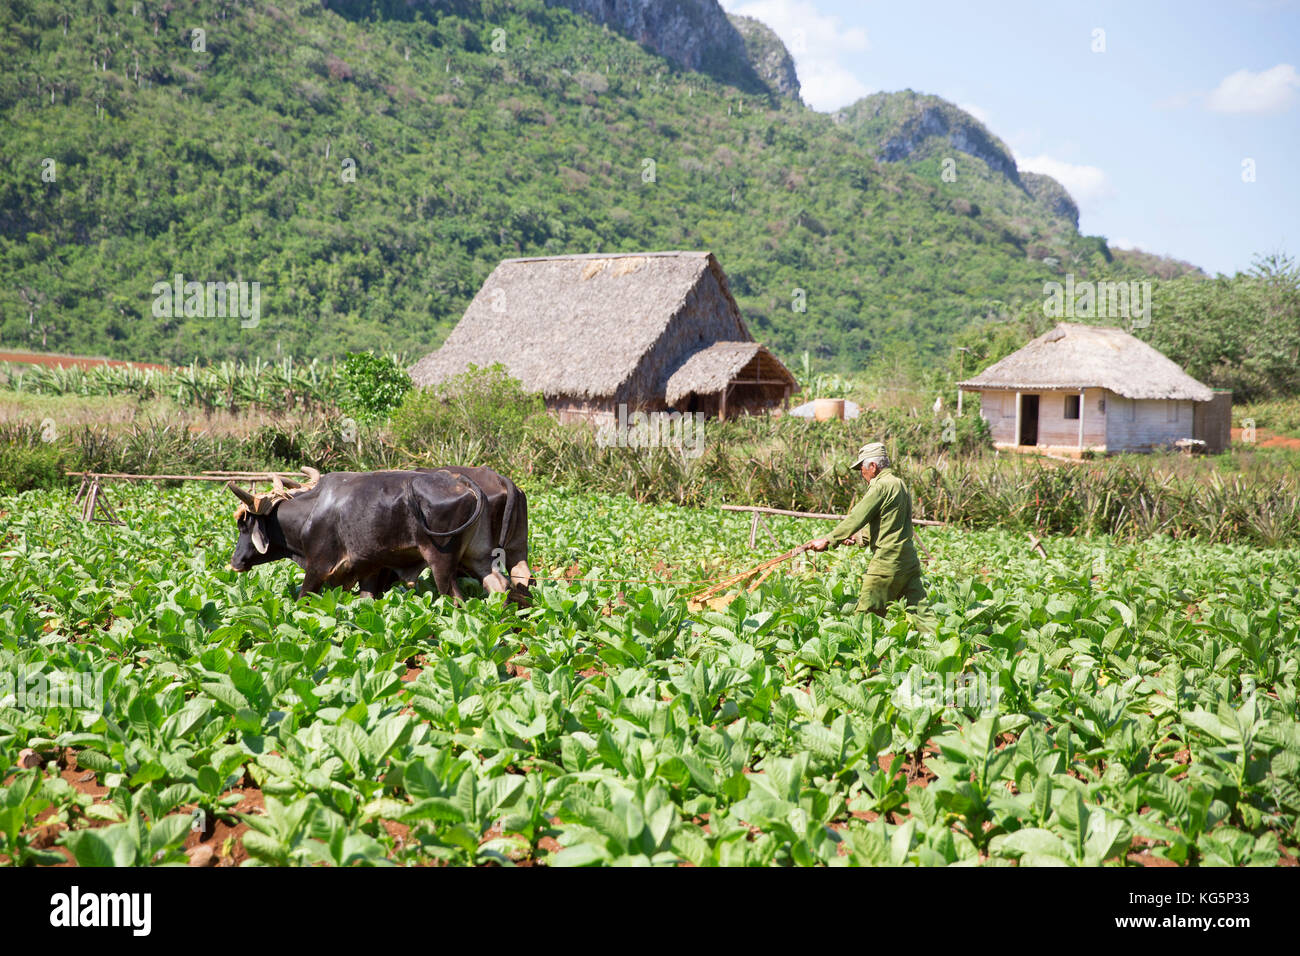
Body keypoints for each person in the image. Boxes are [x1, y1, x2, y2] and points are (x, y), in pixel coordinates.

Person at [806, 442, 926, 616]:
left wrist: (829, 540)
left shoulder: (880, 485)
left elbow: (857, 517)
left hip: (887, 562)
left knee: (865, 616)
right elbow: (889, 523)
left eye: (862, 468)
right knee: (921, 615)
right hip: (908, 562)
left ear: (873, 466)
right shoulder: (899, 484)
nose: (862, 473)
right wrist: (857, 538)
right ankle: (950, 642)